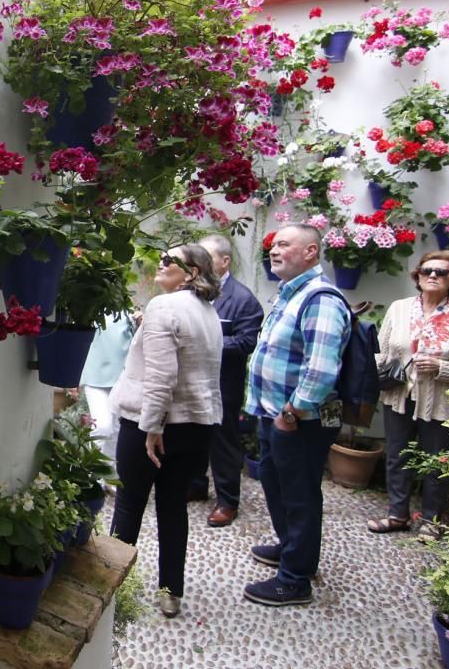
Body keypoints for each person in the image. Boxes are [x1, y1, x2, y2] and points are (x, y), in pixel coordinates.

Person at [109, 244, 223, 619]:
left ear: (191, 273)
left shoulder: (164, 306)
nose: (160, 262)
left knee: (129, 506)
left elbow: (161, 378)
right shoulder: (207, 311)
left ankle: (108, 590)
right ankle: (170, 592)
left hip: (154, 426)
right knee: (173, 507)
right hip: (196, 426)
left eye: (169, 259)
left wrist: (152, 427)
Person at [243, 223, 348, 607]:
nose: (273, 249)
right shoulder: (292, 294)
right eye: (272, 244)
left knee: (299, 496)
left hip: (299, 420)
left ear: (311, 252)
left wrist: (291, 413)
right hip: (277, 416)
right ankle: (292, 550)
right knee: (277, 485)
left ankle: (295, 579)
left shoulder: (320, 298)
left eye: (284, 244)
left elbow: (320, 369)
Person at [367, 250, 449, 538]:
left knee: (438, 461)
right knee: (398, 456)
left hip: (444, 403)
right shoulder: (398, 309)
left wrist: (442, 367)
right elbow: (382, 354)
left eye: (441, 272)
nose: (432, 275)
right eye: (426, 271)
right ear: (418, 277)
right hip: (400, 396)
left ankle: (432, 521)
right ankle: (397, 515)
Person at [186, 234, 264, 526]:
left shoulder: (243, 299)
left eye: (206, 257)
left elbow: (245, 343)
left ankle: (227, 501)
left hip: (223, 385)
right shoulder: (191, 292)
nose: (199, 263)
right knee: (193, 436)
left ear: (224, 261)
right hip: (191, 381)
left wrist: (208, 342)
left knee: (224, 443)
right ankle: (195, 485)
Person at [78, 312, 137, 478]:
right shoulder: (91, 308)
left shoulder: (126, 310)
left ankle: (110, 474)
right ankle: (92, 474)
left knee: (118, 429)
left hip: (121, 377)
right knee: (102, 426)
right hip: (94, 376)